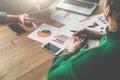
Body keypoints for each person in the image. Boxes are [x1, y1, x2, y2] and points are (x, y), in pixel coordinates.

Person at [47, 0, 120, 80]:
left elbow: (53, 76)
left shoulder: (91, 58)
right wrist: (101, 35)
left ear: (108, 10)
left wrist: (70, 53)